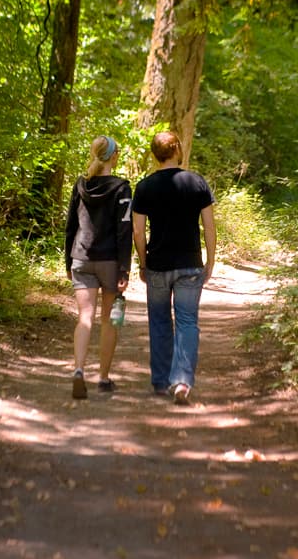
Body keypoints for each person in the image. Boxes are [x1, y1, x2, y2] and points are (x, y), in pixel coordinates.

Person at [131, 130, 216, 406]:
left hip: (157, 264)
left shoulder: (144, 187)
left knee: (159, 321)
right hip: (190, 264)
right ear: (177, 149)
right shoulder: (197, 182)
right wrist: (210, 260)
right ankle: (181, 381)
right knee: (187, 321)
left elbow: (138, 231)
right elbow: (209, 227)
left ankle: (160, 380)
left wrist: (143, 262)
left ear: (154, 154)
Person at [64, 135, 133, 399]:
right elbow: (124, 230)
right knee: (109, 320)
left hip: (81, 258)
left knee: (85, 317)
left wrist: (68, 261)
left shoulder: (80, 185)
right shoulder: (122, 188)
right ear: (113, 156)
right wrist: (124, 268)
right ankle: (103, 378)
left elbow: (71, 225)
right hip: (110, 261)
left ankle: (78, 370)